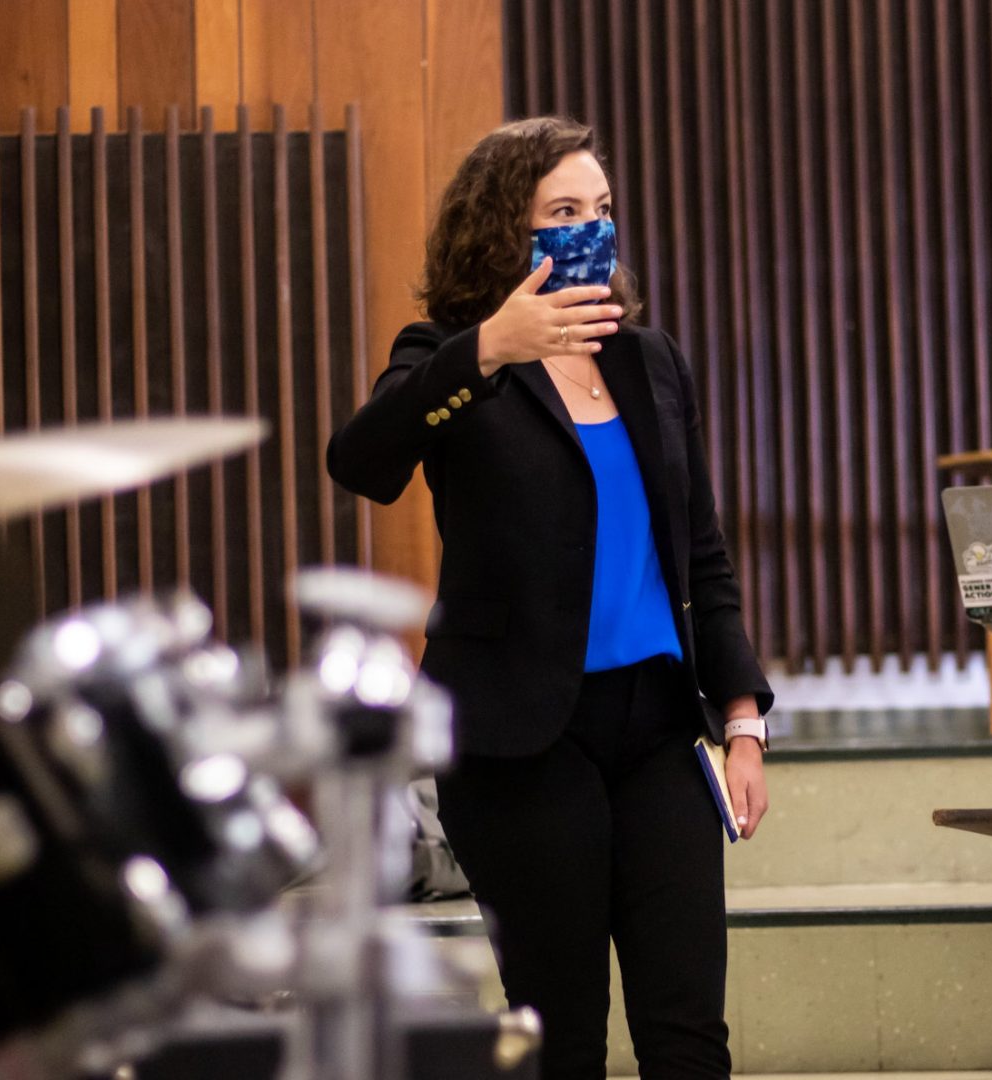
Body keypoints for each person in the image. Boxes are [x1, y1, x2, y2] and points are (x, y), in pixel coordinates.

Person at [327, 116, 773, 1080]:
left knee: (690, 1034)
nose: (591, 231)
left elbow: (700, 552)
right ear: (505, 233)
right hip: (519, 740)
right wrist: (487, 347)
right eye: (563, 212)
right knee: (561, 1038)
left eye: (602, 211)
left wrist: (743, 719)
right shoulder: (449, 355)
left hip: (656, 726)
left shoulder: (649, 360)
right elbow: (362, 462)